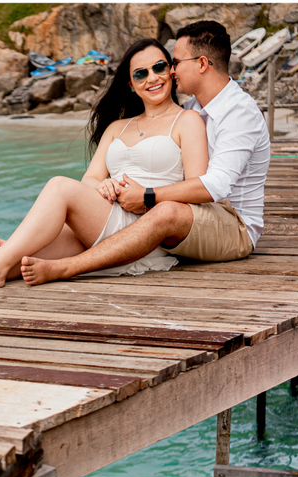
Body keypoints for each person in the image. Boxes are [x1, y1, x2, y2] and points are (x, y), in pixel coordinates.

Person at [0, 38, 208, 294]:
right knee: (32, 249)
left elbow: (198, 187)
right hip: (108, 216)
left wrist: (148, 194)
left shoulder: (187, 121)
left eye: (159, 67)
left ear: (171, 71)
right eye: (141, 74)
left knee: (59, 187)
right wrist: (105, 184)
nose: (152, 78)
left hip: (145, 231)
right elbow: (90, 179)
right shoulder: (117, 127)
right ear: (130, 84)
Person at [19, 20, 270, 286]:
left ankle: (67, 267)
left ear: (202, 64)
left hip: (235, 226)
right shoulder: (195, 106)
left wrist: (147, 195)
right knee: (82, 222)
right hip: (199, 217)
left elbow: (216, 184)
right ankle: (20, 251)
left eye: (175, 62)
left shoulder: (239, 112)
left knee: (165, 212)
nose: (172, 71)